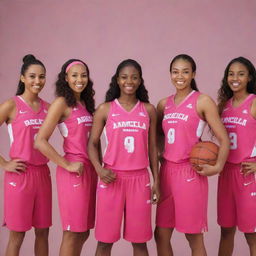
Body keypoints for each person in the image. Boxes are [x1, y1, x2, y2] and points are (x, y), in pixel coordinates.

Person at [154, 54, 230, 256]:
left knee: (193, 236)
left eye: (185, 72)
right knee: (160, 234)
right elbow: (159, 135)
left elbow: (224, 138)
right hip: (167, 172)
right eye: (175, 72)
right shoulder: (164, 104)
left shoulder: (203, 101)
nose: (180, 76)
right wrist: (162, 153)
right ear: (170, 74)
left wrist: (218, 166)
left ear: (193, 74)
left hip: (190, 173)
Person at [88, 59, 160, 256]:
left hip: (139, 179)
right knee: (104, 242)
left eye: (134, 77)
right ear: (117, 80)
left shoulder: (148, 110)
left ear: (140, 81)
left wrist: (156, 181)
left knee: (140, 243)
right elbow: (92, 144)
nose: (129, 81)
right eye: (125, 77)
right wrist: (99, 169)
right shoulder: (105, 109)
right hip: (112, 178)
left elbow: (153, 148)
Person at [35, 59, 97, 256]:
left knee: (84, 232)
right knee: (72, 233)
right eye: (75, 75)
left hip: (90, 171)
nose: (80, 79)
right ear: (66, 78)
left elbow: (94, 142)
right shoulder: (61, 103)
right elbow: (40, 141)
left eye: (83, 75)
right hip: (73, 173)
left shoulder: (86, 103)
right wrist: (67, 164)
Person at [0, 54, 52, 256]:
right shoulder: (11, 105)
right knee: (18, 235)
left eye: (41, 77)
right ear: (22, 78)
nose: (37, 81)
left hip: (42, 174)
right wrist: (4, 163)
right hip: (20, 175)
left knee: (43, 233)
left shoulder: (48, 108)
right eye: (32, 76)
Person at [217, 57, 256, 256]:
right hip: (226, 173)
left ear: (249, 78)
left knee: (252, 235)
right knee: (226, 231)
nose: (235, 78)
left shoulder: (254, 102)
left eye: (241, 74)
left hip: (248, 173)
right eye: (231, 74)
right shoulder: (224, 106)